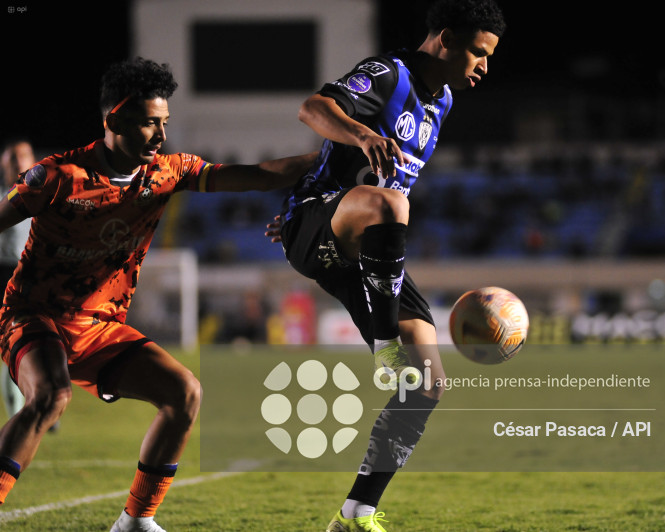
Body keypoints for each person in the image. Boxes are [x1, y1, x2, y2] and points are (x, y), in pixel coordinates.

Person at [0, 57, 316, 532]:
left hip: (100, 327)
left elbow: (260, 174)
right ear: (113, 121)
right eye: (149, 122)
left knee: (184, 393)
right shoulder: (59, 176)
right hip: (33, 314)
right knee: (50, 395)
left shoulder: (168, 173)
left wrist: (335, 158)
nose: (161, 135)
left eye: (164, 122)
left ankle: (136, 522)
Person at [277, 1, 506, 530]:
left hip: (361, 241)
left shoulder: (441, 101)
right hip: (323, 225)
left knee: (427, 384)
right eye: (478, 52)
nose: (484, 67)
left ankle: (358, 512)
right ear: (445, 39)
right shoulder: (389, 73)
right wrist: (361, 135)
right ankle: (385, 348)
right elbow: (312, 108)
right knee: (390, 204)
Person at [0, 140, 34, 422]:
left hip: (35, 276)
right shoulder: (3, 197)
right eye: (13, 159)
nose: (18, 163)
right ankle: (19, 415)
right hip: (5, 275)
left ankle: (43, 401)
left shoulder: (46, 197)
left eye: (22, 157)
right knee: (13, 348)